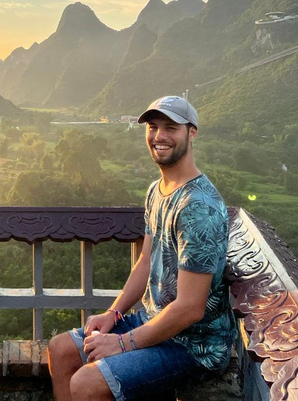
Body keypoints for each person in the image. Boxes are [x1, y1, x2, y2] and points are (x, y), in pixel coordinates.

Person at [48, 95, 236, 401]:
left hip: (193, 345)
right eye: (153, 126)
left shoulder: (198, 207)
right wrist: (113, 314)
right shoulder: (157, 191)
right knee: (61, 350)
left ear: (192, 133)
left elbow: (190, 308)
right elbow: (146, 262)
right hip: (153, 320)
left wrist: (122, 344)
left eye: (171, 127)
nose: (159, 136)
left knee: (87, 383)